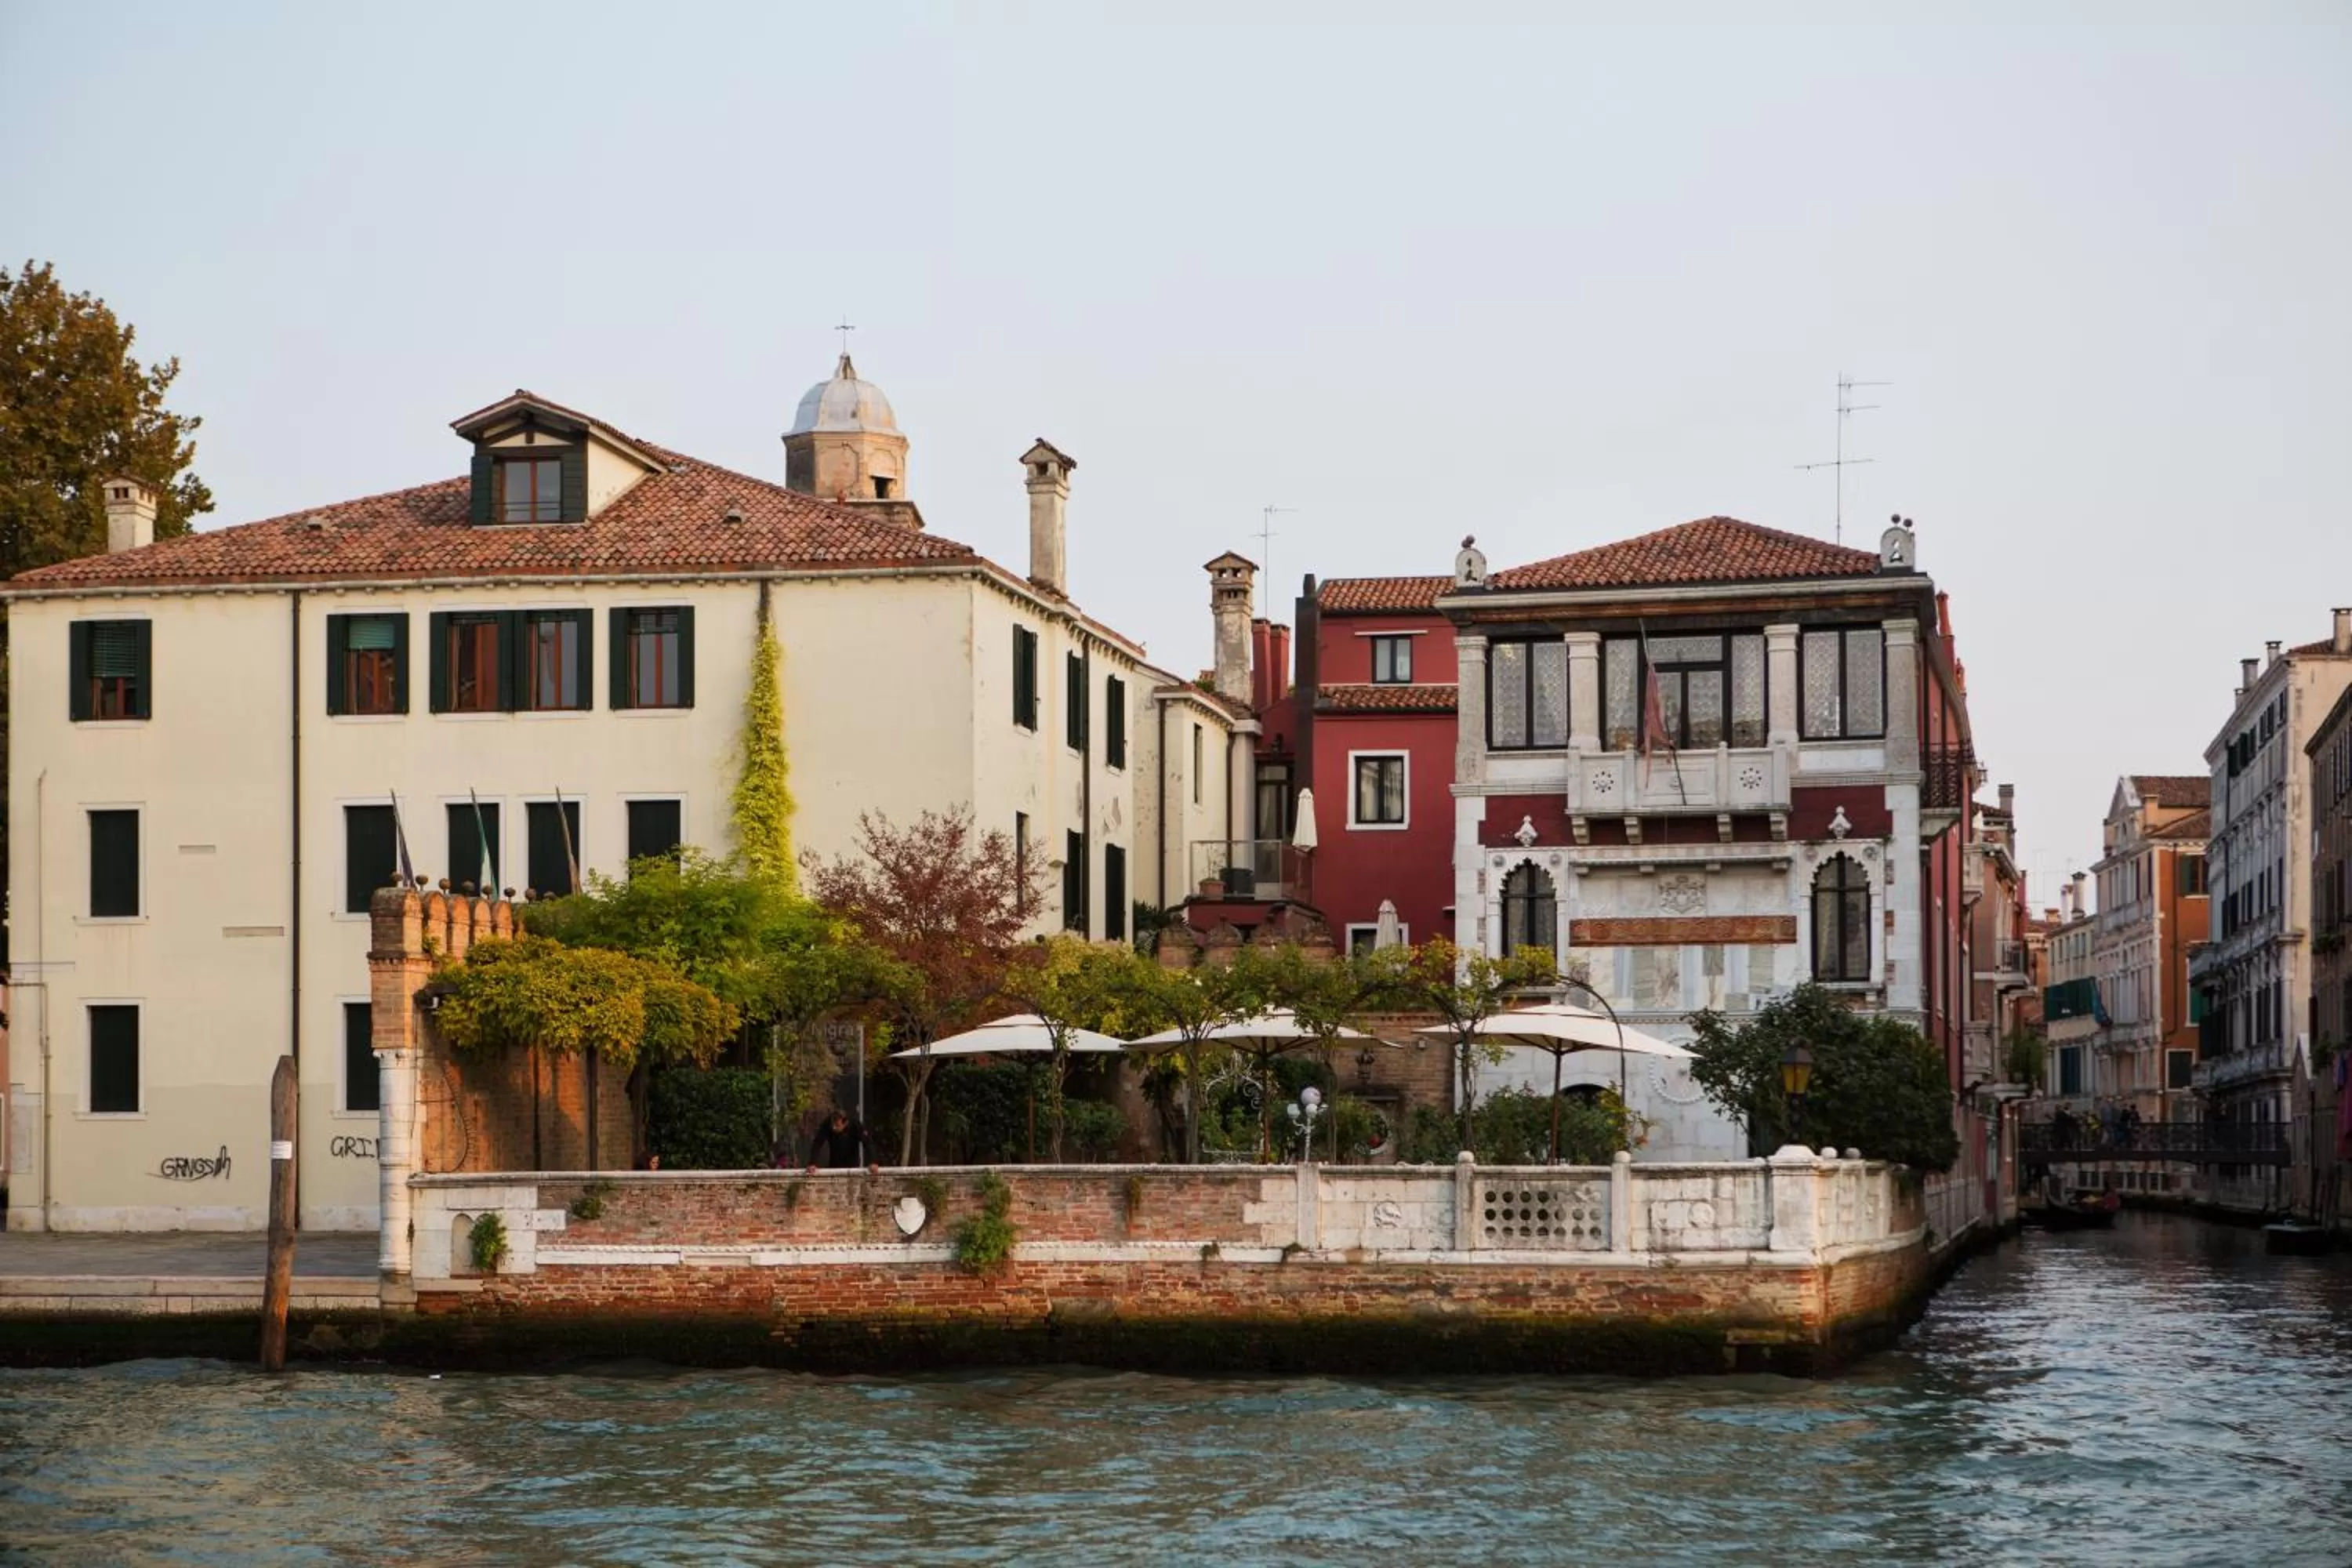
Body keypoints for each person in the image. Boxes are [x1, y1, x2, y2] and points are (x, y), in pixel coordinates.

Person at [805, 1107, 880, 1175]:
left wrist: (873, 1161)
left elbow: (868, 1143)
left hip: (852, 1163)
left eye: (837, 1125)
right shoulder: (827, 1124)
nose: (834, 1128)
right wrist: (813, 1162)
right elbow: (817, 1143)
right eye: (833, 1125)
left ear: (845, 1123)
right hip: (835, 1162)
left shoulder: (855, 1125)